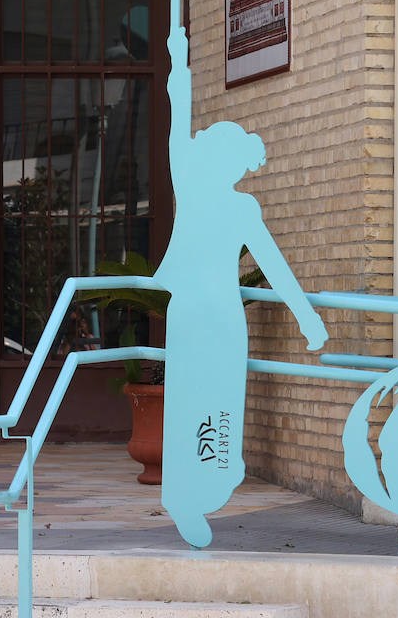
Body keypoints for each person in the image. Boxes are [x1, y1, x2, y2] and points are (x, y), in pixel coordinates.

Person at [152, 27, 328, 548]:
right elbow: (177, 119)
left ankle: (207, 482)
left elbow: (272, 264)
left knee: (212, 402)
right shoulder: (195, 184)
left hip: (210, 316)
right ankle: (187, 496)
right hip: (205, 315)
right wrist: (179, 66)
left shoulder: (226, 199)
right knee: (199, 402)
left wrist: (307, 316)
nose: (196, 147)